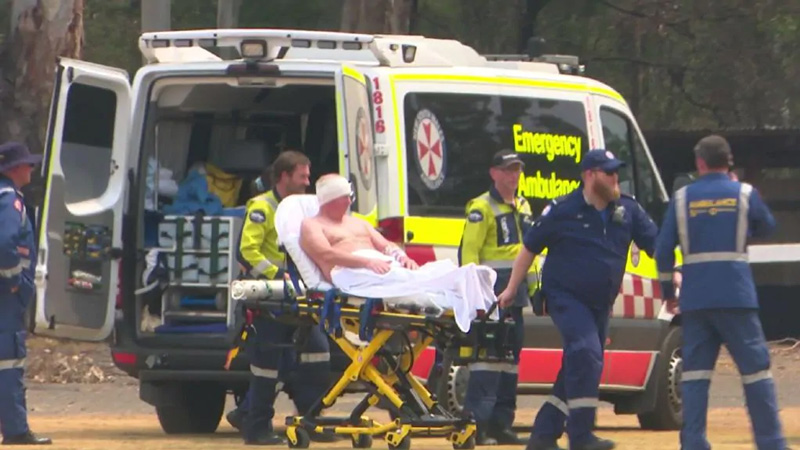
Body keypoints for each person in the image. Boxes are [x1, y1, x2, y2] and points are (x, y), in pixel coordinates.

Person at [497, 149, 658, 450]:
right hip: (565, 297)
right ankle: (581, 436)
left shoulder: (627, 209)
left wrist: (675, 271)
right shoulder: (563, 209)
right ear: (589, 176)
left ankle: (544, 435)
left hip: (601, 303)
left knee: (582, 365)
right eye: (608, 173)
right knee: (586, 353)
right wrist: (510, 289)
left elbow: (656, 244)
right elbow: (528, 248)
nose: (615, 179)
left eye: (616, 172)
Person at [654, 135, 786, 450]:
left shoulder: (683, 199)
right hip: (736, 298)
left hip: (697, 301)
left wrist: (667, 292)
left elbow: (662, 251)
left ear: (700, 163)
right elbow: (768, 226)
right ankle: (770, 443)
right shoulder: (744, 194)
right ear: (728, 163)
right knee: (756, 373)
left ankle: (694, 442)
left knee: (695, 376)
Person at [299, 174, 498, 333]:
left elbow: (386, 245)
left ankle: (461, 281)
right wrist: (365, 263)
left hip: (378, 265)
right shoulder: (312, 225)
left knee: (416, 273)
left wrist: (403, 257)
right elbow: (326, 254)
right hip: (347, 272)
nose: (350, 201)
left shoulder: (357, 222)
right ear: (331, 200)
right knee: (402, 278)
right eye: (346, 197)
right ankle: (456, 283)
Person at [231, 150, 333, 446]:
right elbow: (247, 252)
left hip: (299, 295)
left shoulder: (302, 207)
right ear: (284, 176)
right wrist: (277, 274)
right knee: (268, 364)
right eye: (302, 176)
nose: (307, 181)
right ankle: (256, 428)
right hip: (271, 298)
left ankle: (309, 421)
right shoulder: (262, 207)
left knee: (316, 353)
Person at [458, 150, 536, 446]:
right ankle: (478, 424)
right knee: (488, 360)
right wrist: (476, 298)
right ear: (494, 173)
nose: (514, 175)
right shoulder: (481, 207)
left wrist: (536, 288)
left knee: (511, 359)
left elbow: (530, 254)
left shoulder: (524, 206)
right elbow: (470, 255)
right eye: (508, 170)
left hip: (516, 293)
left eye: (517, 169)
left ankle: (502, 423)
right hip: (491, 293)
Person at [0, 142, 51, 445]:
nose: (32, 168)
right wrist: (13, 281)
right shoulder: (10, 203)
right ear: (15, 169)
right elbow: (5, 243)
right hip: (6, 299)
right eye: (28, 164)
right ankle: (17, 430)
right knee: (9, 363)